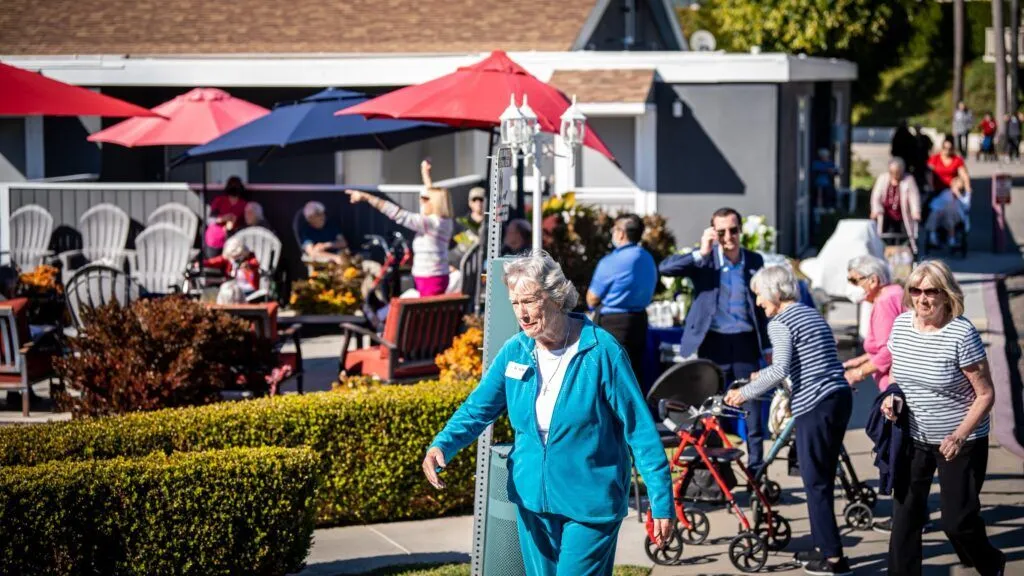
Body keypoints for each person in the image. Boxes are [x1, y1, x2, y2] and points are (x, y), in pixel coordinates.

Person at [422, 252, 674, 576]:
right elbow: (477, 409)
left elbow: (639, 430)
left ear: (556, 296)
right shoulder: (516, 350)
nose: (522, 313)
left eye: (529, 300)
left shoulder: (602, 351)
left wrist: (661, 500)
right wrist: (443, 444)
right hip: (531, 499)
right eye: (515, 303)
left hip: (589, 503)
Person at [724, 265, 853, 576]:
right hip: (838, 398)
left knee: (815, 482)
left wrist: (744, 393)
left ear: (775, 292)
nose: (758, 302)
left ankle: (834, 559)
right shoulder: (810, 314)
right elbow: (806, 360)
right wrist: (762, 375)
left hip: (816, 404)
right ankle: (823, 546)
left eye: (759, 295)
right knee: (821, 478)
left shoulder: (780, 322)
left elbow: (780, 368)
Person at [885, 260, 1004, 576]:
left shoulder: (961, 334)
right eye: (915, 291)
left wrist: (959, 435)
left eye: (931, 291)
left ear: (946, 294)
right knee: (905, 516)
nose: (922, 299)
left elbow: (986, 394)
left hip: (960, 441)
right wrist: (892, 397)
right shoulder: (901, 325)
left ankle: (990, 562)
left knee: (957, 521)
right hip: (914, 436)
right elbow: (896, 372)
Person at [658, 207, 771, 476]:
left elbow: (761, 309)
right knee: (712, 412)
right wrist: (702, 250)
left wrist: (768, 346)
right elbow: (665, 268)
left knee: (752, 411)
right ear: (713, 233)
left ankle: (757, 472)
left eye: (733, 230)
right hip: (713, 343)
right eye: (721, 232)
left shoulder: (754, 260)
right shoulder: (705, 260)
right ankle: (718, 476)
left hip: (745, 344)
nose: (728, 237)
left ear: (741, 230)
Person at [841, 255, 905, 535]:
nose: (851, 286)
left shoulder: (886, 301)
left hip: (895, 387)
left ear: (873, 280)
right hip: (892, 384)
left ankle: (906, 518)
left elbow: (891, 349)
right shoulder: (891, 296)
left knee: (896, 453)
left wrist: (860, 372)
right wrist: (858, 361)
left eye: (854, 280)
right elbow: (882, 345)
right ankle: (908, 515)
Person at [346, 161, 454, 297]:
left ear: (434, 203)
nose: (421, 201)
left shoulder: (431, 223)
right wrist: (425, 174)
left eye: (425, 199)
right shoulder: (443, 221)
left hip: (430, 279)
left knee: (421, 306)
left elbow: (398, 214)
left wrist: (367, 197)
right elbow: (434, 195)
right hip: (433, 276)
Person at [586, 214, 658, 386]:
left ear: (621, 233)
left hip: (613, 323)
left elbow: (592, 298)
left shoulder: (613, 261)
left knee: (611, 376)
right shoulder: (647, 258)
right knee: (633, 375)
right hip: (639, 321)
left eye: (614, 229)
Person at [870, 158, 921, 251]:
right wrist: (875, 210)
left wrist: (915, 211)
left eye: (897, 172)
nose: (895, 175)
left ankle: (905, 255)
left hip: (903, 215)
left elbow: (914, 197)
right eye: (892, 172)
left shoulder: (908, 180)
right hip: (886, 215)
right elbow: (876, 196)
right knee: (885, 238)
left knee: (906, 238)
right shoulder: (883, 178)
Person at [204, 176, 248, 258]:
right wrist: (222, 218)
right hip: (215, 239)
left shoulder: (243, 204)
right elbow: (209, 220)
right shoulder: (219, 201)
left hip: (233, 243)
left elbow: (246, 224)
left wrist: (234, 225)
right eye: (232, 186)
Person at [925, 176, 971, 249]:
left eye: (959, 188)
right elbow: (935, 204)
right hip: (942, 216)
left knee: (949, 212)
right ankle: (933, 236)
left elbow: (966, 207)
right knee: (935, 213)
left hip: (957, 216)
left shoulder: (964, 196)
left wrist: (958, 195)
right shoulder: (946, 193)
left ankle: (951, 238)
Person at [298, 201, 348, 265]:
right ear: (310, 218)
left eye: (322, 213)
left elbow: (343, 243)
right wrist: (335, 258)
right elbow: (311, 252)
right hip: (323, 262)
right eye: (318, 214)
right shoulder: (306, 230)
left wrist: (325, 245)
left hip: (340, 256)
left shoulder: (331, 224)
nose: (323, 216)